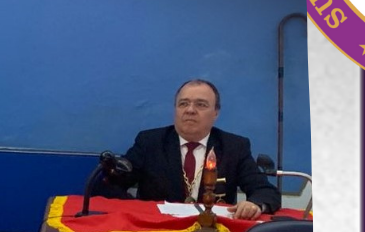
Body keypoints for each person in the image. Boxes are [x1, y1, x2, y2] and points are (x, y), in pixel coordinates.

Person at [99, 79, 279, 219]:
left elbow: (266, 191)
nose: (190, 110)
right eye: (183, 103)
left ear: (216, 112)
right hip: (157, 230)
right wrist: (141, 210)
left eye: (201, 104)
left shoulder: (234, 147)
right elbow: (110, 186)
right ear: (175, 109)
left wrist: (254, 205)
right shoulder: (150, 142)